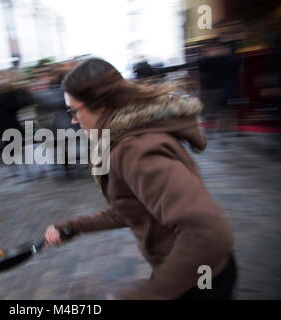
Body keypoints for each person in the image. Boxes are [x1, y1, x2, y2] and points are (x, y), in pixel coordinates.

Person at [44, 58, 236, 300]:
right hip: (189, 275)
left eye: (74, 110)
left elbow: (208, 234)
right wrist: (73, 226)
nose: (73, 120)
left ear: (102, 106)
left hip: (201, 281)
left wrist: (143, 295)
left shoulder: (135, 150)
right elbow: (133, 208)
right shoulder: (118, 141)